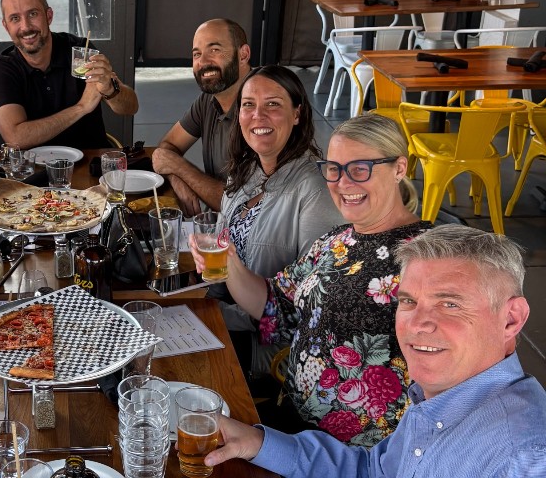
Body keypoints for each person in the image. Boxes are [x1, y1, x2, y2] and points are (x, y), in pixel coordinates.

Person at [204, 225, 546, 477]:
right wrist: (257, 443)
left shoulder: (525, 457)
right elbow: (372, 470)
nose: (418, 323)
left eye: (450, 304)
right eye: (408, 301)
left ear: (511, 319)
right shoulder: (441, 396)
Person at [194, 113, 432, 446]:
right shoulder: (335, 240)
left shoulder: (426, 258)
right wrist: (228, 260)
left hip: (355, 452)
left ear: (399, 168)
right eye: (334, 169)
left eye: (359, 169)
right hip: (293, 421)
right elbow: (276, 307)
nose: (343, 183)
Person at [209, 65, 344, 378]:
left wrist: (216, 317)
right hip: (228, 319)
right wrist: (203, 304)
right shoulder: (245, 170)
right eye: (249, 105)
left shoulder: (315, 190)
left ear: (297, 114)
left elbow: (307, 306)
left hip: (273, 350)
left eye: (273, 104)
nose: (258, 115)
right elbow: (219, 257)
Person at [0, 0, 138, 150]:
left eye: (33, 14)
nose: (25, 27)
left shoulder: (81, 51)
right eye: (15, 18)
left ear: (49, 16)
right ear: (6, 26)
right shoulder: (6, 67)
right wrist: (81, 108)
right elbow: (15, 138)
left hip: (90, 160)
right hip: (36, 165)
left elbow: (131, 107)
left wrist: (111, 90)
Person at [151, 19, 252, 214]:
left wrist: (180, 168)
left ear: (243, 55)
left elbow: (242, 207)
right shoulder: (208, 100)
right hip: (218, 226)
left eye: (214, 50)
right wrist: (177, 180)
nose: (203, 62)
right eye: (197, 54)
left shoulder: (260, 109)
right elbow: (168, 147)